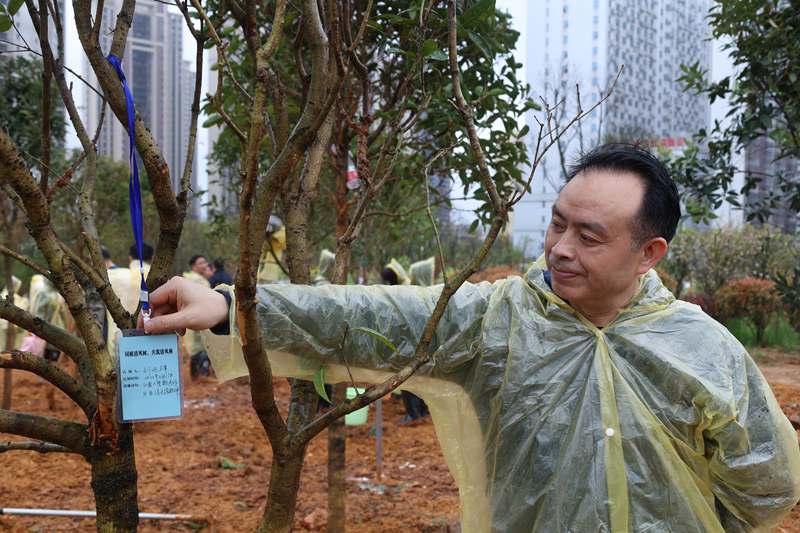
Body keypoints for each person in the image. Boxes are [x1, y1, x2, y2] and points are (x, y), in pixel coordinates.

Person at [141, 144, 800, 532]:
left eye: (589, 236)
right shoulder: (497, 321)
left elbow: (765, 483)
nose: (560, 247)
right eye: (558, 224)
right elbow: (369, 316)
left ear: (648, 251)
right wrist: (231, 306)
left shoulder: (702, 347)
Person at [183, 255, 212, 378]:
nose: (205, 265)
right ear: (194, 266)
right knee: (201, 346)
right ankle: (202, 377)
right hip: (201, 318)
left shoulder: (188, 278)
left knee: (194, 347)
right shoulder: (199, 280)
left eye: (205, 262)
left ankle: (196, 376)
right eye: (201, 263)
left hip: (190, 318)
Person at [257, 216, 287, 284]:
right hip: (259, 274)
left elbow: (282, 240)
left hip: (271, 275)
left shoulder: (281, 233)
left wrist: (271, 236)